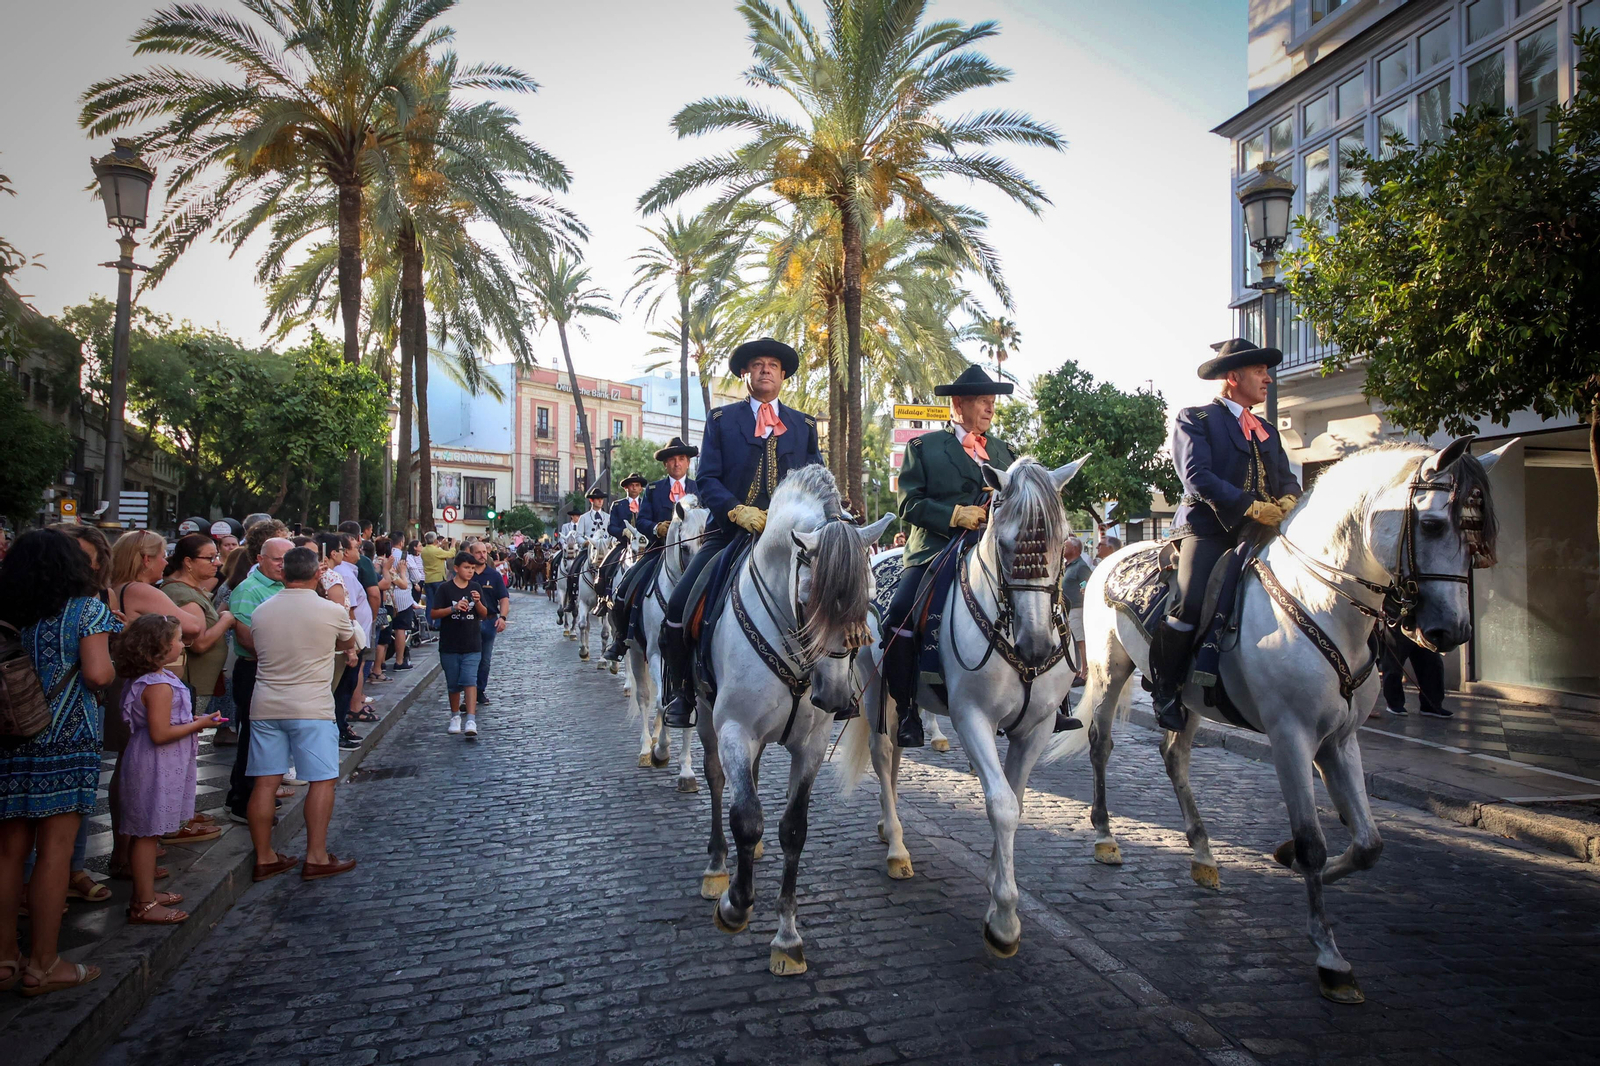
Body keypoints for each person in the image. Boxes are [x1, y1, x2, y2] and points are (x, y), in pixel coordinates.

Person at [660, 337, 823, 728]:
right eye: (758, 364)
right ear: (745, 374)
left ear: (783, 376)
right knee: (679, 607)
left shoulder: (803, 425)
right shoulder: (721, 420)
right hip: (730, 534)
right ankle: (682, 693)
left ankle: (839, 683)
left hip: (792, 541)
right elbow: (708, 478)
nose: (765, 369)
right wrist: (736, 509)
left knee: (841, 597)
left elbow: (818, 479)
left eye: (773, 365)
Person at [1151, 338, 1302, 732]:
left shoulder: (1266, 428)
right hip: (1208, 528)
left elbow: (1286, 477)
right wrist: (1249, 505)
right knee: (1190, 602)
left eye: (1266, 372)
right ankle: (1165, 690)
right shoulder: (1196, 419)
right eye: (1259, 372)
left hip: (1263, 530)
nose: (1267, 379)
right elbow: (1197, 477)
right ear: (1233, 378)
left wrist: (1288, 501)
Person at [0, 529, 119, 996]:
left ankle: (5, 956)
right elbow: (97, 673)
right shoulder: (86, 610)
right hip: (67, 739)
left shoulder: (9, 612)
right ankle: (44, 964)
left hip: (11, 739)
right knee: (54, 853)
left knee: (9, 852)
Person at [882, 364, 1018, 746]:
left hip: (993, 552)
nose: (991, 410)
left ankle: (1050, 702)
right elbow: (909, 503)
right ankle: (908, 708)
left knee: (1039, 599)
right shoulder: (923, 448)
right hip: (936, 549)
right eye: (984, 402)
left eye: (993, 403)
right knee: (899, 614)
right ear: (959, 404)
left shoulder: (1005, 452)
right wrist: (955, 515)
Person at [245, 547, 358, 883]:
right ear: (316, 575)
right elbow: (348, 640)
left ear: (282, 574)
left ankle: (264, 857)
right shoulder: (331, 610)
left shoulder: (262, 611)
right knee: (322, 780)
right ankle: (316, 856)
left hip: (265, 704)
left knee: (265, 782)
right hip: (312, 706)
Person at [111, 614, 225, 924]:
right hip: (155, 763)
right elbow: (160, 733)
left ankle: (144, 892)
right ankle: (144, 902)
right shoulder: (158, 685)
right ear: (159, 647)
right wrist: (198, 724)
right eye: (177, 640)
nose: (182, 644)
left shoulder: (150, 678)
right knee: (147, 834)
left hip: (156, 761)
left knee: (149, 831)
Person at [105, 530, 205, 877]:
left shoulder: (112, 588)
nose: (167, 562)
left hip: (125, 682)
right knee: (144, 771)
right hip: (147, 687)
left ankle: (126, 850)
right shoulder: (140, 589)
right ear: (145, 559)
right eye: (162, 555)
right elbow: (190, 625)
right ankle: (134, 851)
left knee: (126, 766)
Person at [158, 533, 235, 844]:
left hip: (197, 681)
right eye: (210, 557)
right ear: (188, 562)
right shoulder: (183, 594)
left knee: (187, 748)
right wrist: (226, 620)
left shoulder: (191, 589)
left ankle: (181, 811)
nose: (217, 563)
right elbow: (200, 642)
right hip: (189, 681)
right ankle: (173, 818)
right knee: (181, 750)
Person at [602, 440, 699, 661]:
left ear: (688, 462)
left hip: (695, 552)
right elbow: (643, 520)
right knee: (625, 587)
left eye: (681, 459)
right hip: (659, 550)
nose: (677, 464)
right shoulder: (654, 489)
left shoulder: (700, 486)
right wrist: (657, 527)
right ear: (665, 464)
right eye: (672, 460)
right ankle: (621, 639)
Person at [223, 534, 291, 824]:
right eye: (277, 559)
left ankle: (258, 791)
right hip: (255, 669)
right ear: (259, 559)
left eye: (287, 560)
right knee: (252, 735)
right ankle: (241, 798)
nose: (282, 565)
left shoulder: (284, 586)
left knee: (268, 737)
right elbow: (247, 638)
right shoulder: (248, 590)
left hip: (276, 669)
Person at [431, 553, 488, 737]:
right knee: (454, 683)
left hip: (472, 643)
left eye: (472, 568)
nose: (470, 571)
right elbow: (433, 613)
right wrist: (453, 609)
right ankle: (455, 716)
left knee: (470, 680)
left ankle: (471, 719)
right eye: (466, 568)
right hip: (450, 644)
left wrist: (477, 602)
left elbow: (484, 614)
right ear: (456, 568)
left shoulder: (476, 587)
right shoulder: (445, 589)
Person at [467, 539, 509, 709]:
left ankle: (480, 690)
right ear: (471, 554)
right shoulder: (467, 574)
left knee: (485, 660)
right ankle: (468, 692)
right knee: (470, 659)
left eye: (484, 552)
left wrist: (503, 617)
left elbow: (504, 598)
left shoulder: (494, 575)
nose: (482, 555)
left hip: (489, 621)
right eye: (478, 552)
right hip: (469, 622)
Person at [1378, 626, 1449, 718]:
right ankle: (1394, 704)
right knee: (1393, 663)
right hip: (1398, 620)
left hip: (1422, 622)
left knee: (1432, 662)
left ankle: (1431, 705)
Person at [1059, 536, 1094, 687]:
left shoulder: (1080, 566)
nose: (1063, 548)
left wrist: (1084, 588)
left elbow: (1086, 582)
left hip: (1077, 608)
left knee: (1081, 641)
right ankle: (1075, 671)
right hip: (1067, 609)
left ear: (1074, 549)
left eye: (1065, 546)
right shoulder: (1067, 566)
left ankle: (1085, 672)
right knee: (1071, 642)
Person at [419, 531, 453, 631]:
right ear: (435, 540)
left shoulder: (424, 550)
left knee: (430, 602)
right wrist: (453, 544)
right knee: (440, 602)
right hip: (438, 578)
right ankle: (438, 623)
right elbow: (451, 554)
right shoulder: (436, 551)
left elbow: (435, 550)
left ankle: (428, 623)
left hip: (428, 578)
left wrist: (440, 544)